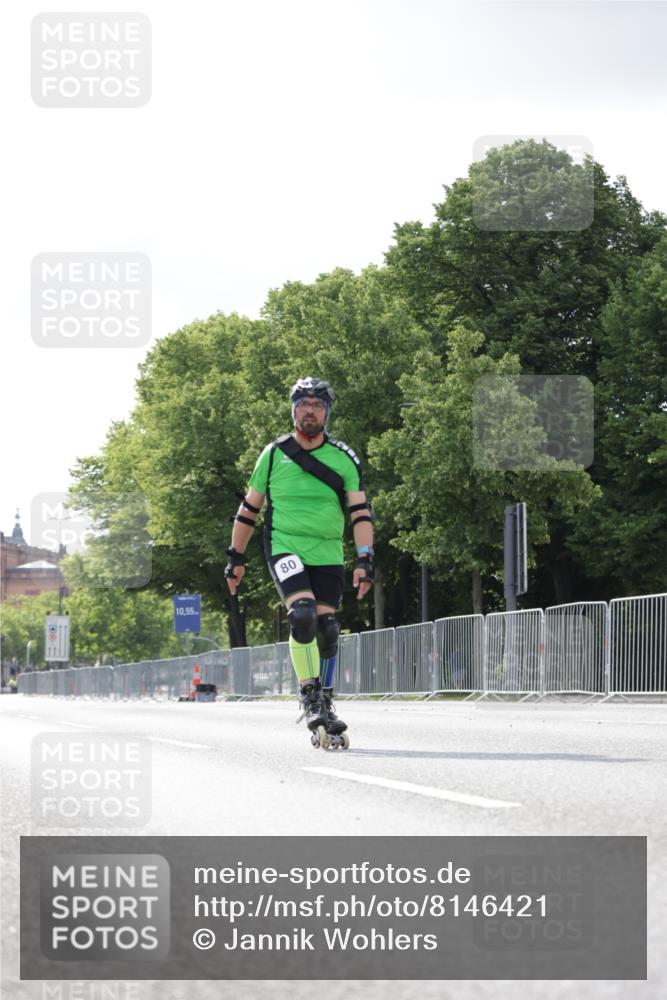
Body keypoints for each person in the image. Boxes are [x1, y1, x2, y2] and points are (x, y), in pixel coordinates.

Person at [224, 376, 374, 739]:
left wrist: (364, 561)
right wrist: (235, 558)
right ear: (293, 411)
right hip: (285, 546)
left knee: (328, 629)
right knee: (302, 615)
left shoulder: (343, 458)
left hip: (327, 551)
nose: (310, 410)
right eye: (304, 404)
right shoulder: (274, 454)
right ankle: (309, 697)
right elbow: (249, 510)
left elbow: (361, 514)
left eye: (318, 405)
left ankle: (326, 698)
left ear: (327, 414)